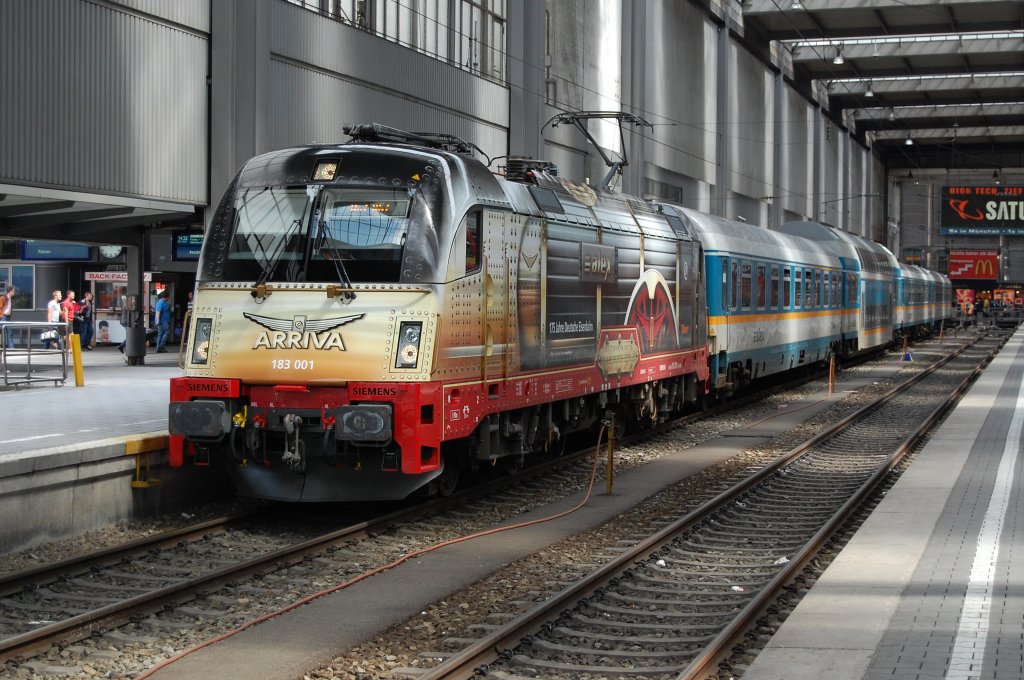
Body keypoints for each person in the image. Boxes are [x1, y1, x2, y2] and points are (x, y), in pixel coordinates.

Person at [154, 289, 171, 353]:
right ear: (166, 297)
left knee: (160, 334)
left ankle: (159, 347)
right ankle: (161, 346)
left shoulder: (162, 302)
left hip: (162, 321)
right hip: (163, 322)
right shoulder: (161, 302)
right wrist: (158, 321)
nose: (169, 298)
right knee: (166, 333)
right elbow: (158, 312)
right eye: (168, 297)